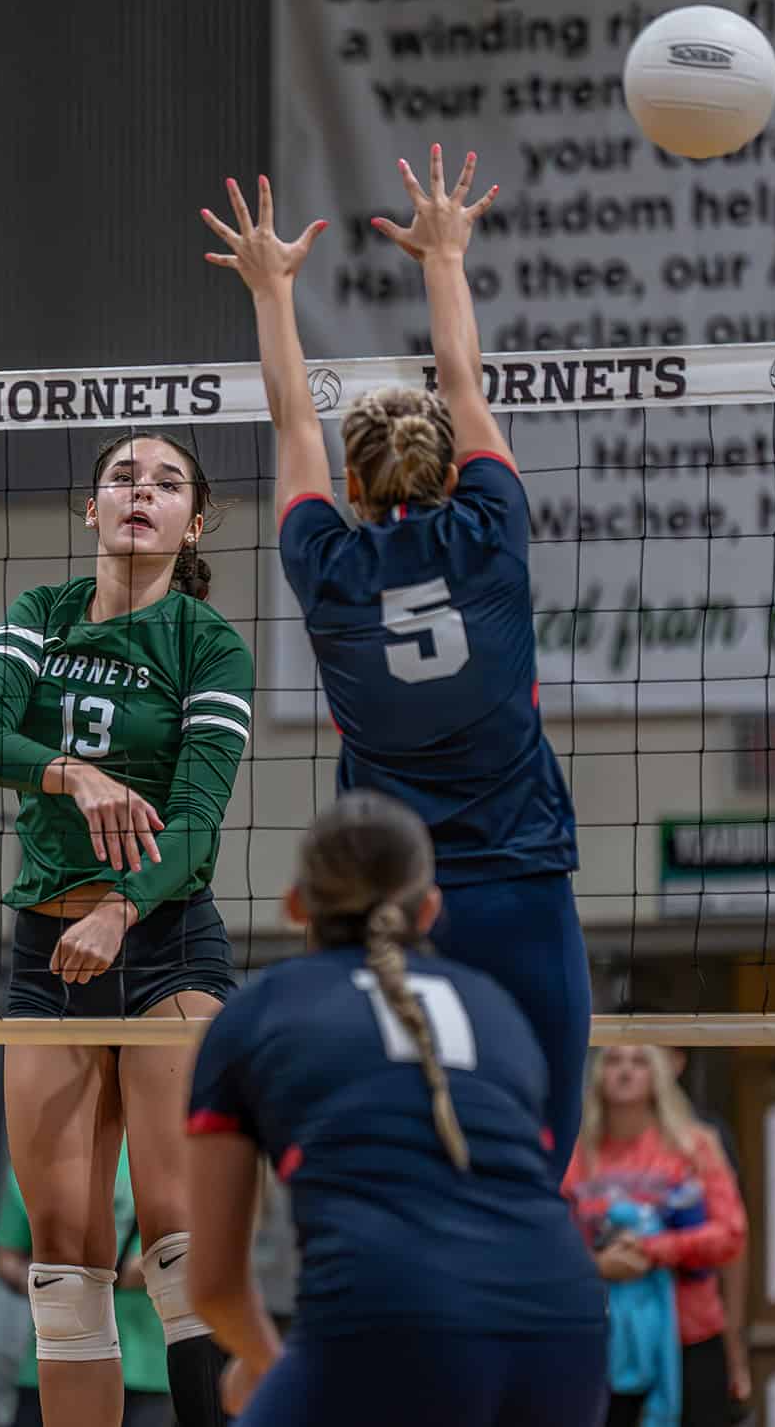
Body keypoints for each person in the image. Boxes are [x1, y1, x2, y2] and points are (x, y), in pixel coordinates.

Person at [201, 152, 587, 1177]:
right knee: (537, 1157)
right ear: (452, 468)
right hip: (517, 882)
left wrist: (270, 289)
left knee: (396, 1148)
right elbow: (461, 377)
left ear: (353, 487)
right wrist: (445, 255)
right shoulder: (492, 529)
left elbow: (290, 420)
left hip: (393, 900)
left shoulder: (324, 561)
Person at [0, 429, 254, 1427]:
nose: (141, 491)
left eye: (167, 482)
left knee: (175, 1237)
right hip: (48, 949)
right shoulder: (39, 616)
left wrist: (125, 908)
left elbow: (199, 825)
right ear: (92, 509)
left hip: (163, 939)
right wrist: (73, 773)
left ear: (191, 522)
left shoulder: (208, 644)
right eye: (123, 476)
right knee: (65, 1261)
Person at [184, 790, 607, 1427]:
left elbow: (213, 1288)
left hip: (387, 1319)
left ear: (296, 902)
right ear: (430, 909)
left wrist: (266, 1365)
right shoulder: (497, 1009)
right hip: (565, 1327)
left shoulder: (256, 1011)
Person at [563, 1046, 748, 1427]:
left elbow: (731, 1234)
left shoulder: (696, 1145)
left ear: (660, 1073)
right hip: (601, 1342)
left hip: (689, 1339)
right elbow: (545, 1241)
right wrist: (597, 1265)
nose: (625, 1071)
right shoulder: (574, 1151)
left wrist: (653, 1250)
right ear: (597, 1072)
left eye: (639, 1060)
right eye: (614, 1060)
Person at [0, 1146, 172, 1427]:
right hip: (50, 1365)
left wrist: (64, 1279)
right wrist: (46, 1281)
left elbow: (169, 1261)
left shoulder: (163, 1147)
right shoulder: (37, 1154)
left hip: (141, 1368)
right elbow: (6, 1256)